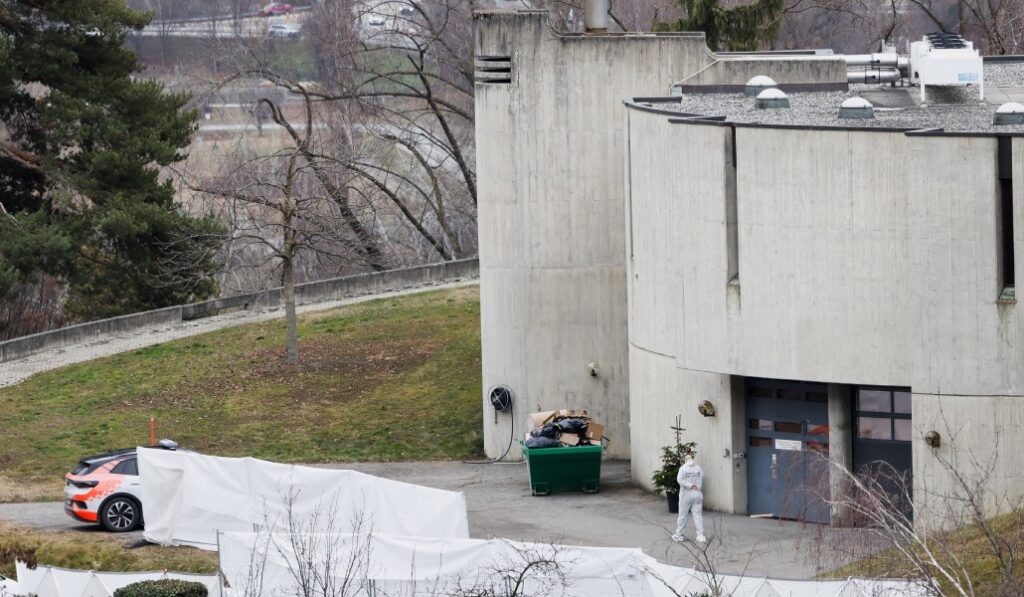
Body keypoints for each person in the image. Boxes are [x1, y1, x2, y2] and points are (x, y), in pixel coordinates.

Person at [672, 451, 706, 543]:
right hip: (698, 493)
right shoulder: (698, 468)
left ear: (685, 460)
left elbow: (679, 480)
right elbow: (702, 476)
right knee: (698, 515)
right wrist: (695, 485)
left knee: (682, 515)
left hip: (686, 494)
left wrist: (689, 485)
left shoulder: (683, 468)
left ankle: (680, 534)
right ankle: (700, 535)